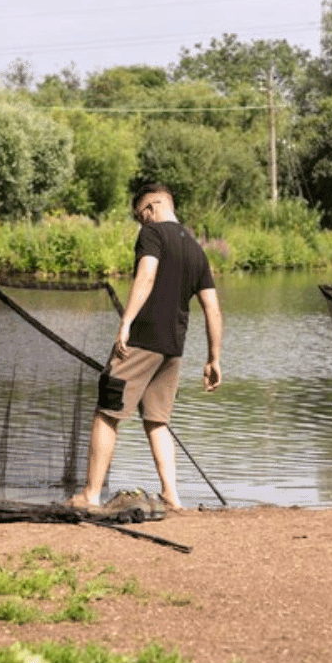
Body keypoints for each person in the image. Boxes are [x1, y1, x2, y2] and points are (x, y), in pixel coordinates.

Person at [70, 182, 222, 512]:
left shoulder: (153, 234)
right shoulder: (196, 249)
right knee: (157, 420)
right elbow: (212, 307)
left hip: (142, 341)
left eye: (140, 217)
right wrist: (214, 359)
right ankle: (171, 495)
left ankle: (90, 495)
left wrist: (126, 322)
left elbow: (147, 275)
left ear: (151, 209)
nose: (141, 223)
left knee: (107, 412)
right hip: (173, 347)